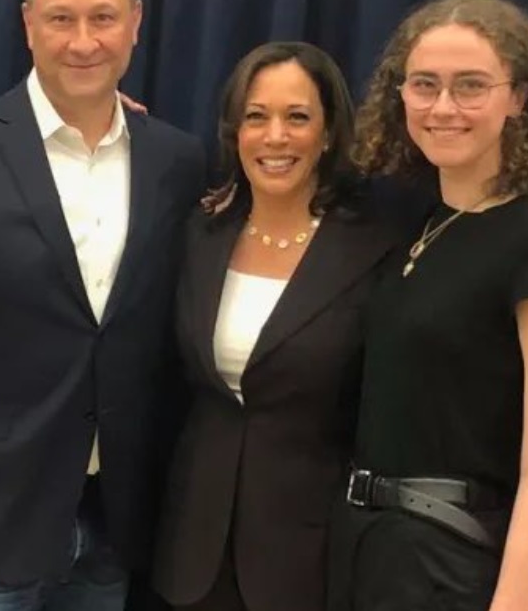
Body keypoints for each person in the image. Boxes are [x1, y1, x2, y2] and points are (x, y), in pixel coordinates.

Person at [0, 0, 204, 611]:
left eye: (104, 17)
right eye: (61, 18)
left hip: (114, 527)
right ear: (27, 25)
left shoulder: (177, 162)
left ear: (136, 22)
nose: (84, 41)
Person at [328, 0, 528, 611]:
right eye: (424, 85)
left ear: (519, 98)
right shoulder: (419, 228)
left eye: (471, 85)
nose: (443, 107)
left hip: (452, 564)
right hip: (365, 549)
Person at [152, 41, 398, 611]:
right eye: (256, 117)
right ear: (234, 131)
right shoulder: (198, 235)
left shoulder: (375, 249)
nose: (275, 137)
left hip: (308, 558)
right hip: (190, 550)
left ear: (330, 132)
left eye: (298, 117)